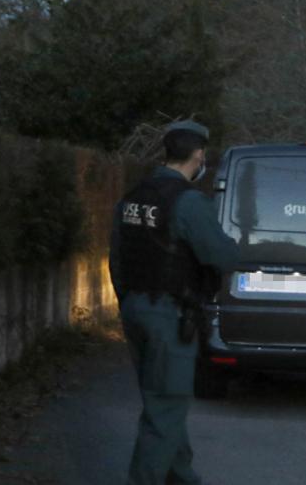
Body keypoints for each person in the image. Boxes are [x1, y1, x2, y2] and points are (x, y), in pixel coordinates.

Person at [109, 120, 239, 485]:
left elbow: (116, 255)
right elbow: (222, 257)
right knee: (166, 405)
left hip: (136, 307)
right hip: (170, 314)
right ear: (198, 155)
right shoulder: (188, 201)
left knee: (162, 400)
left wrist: (127, 299)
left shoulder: (133, 195)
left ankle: (181, 476)